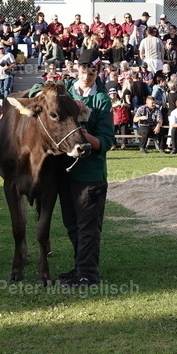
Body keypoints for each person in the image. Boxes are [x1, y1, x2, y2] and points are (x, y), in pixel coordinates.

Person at [58, 62, 114, 287]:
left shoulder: (102, 100)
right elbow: (36, 91)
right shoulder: (66, 91)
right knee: (72, 224)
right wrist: (71, 103)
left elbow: (107, 142)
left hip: (91, 175)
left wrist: (82, 135)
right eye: (83, 71)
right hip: (66, 174)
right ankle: (79, 267)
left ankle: (88, 274)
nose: (87, 76)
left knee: (88, 227)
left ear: (97, 74)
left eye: (92, 73)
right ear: (76, 71)